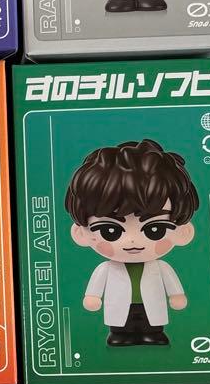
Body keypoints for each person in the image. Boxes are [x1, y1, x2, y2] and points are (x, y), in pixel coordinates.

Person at [64, 139, 198, 347]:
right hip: (119, 307)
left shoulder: (161, 267)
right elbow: (96, 287)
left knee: (152, 323)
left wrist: (176, 295)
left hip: (151, 305)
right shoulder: (106, 269)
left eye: (155, 229)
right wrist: (93, 297)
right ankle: (120, 335)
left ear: (183, 232)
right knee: (121, 324)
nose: (132, 240)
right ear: (81, 234)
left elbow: (171, 283)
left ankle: (153, 334)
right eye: (110, 231)